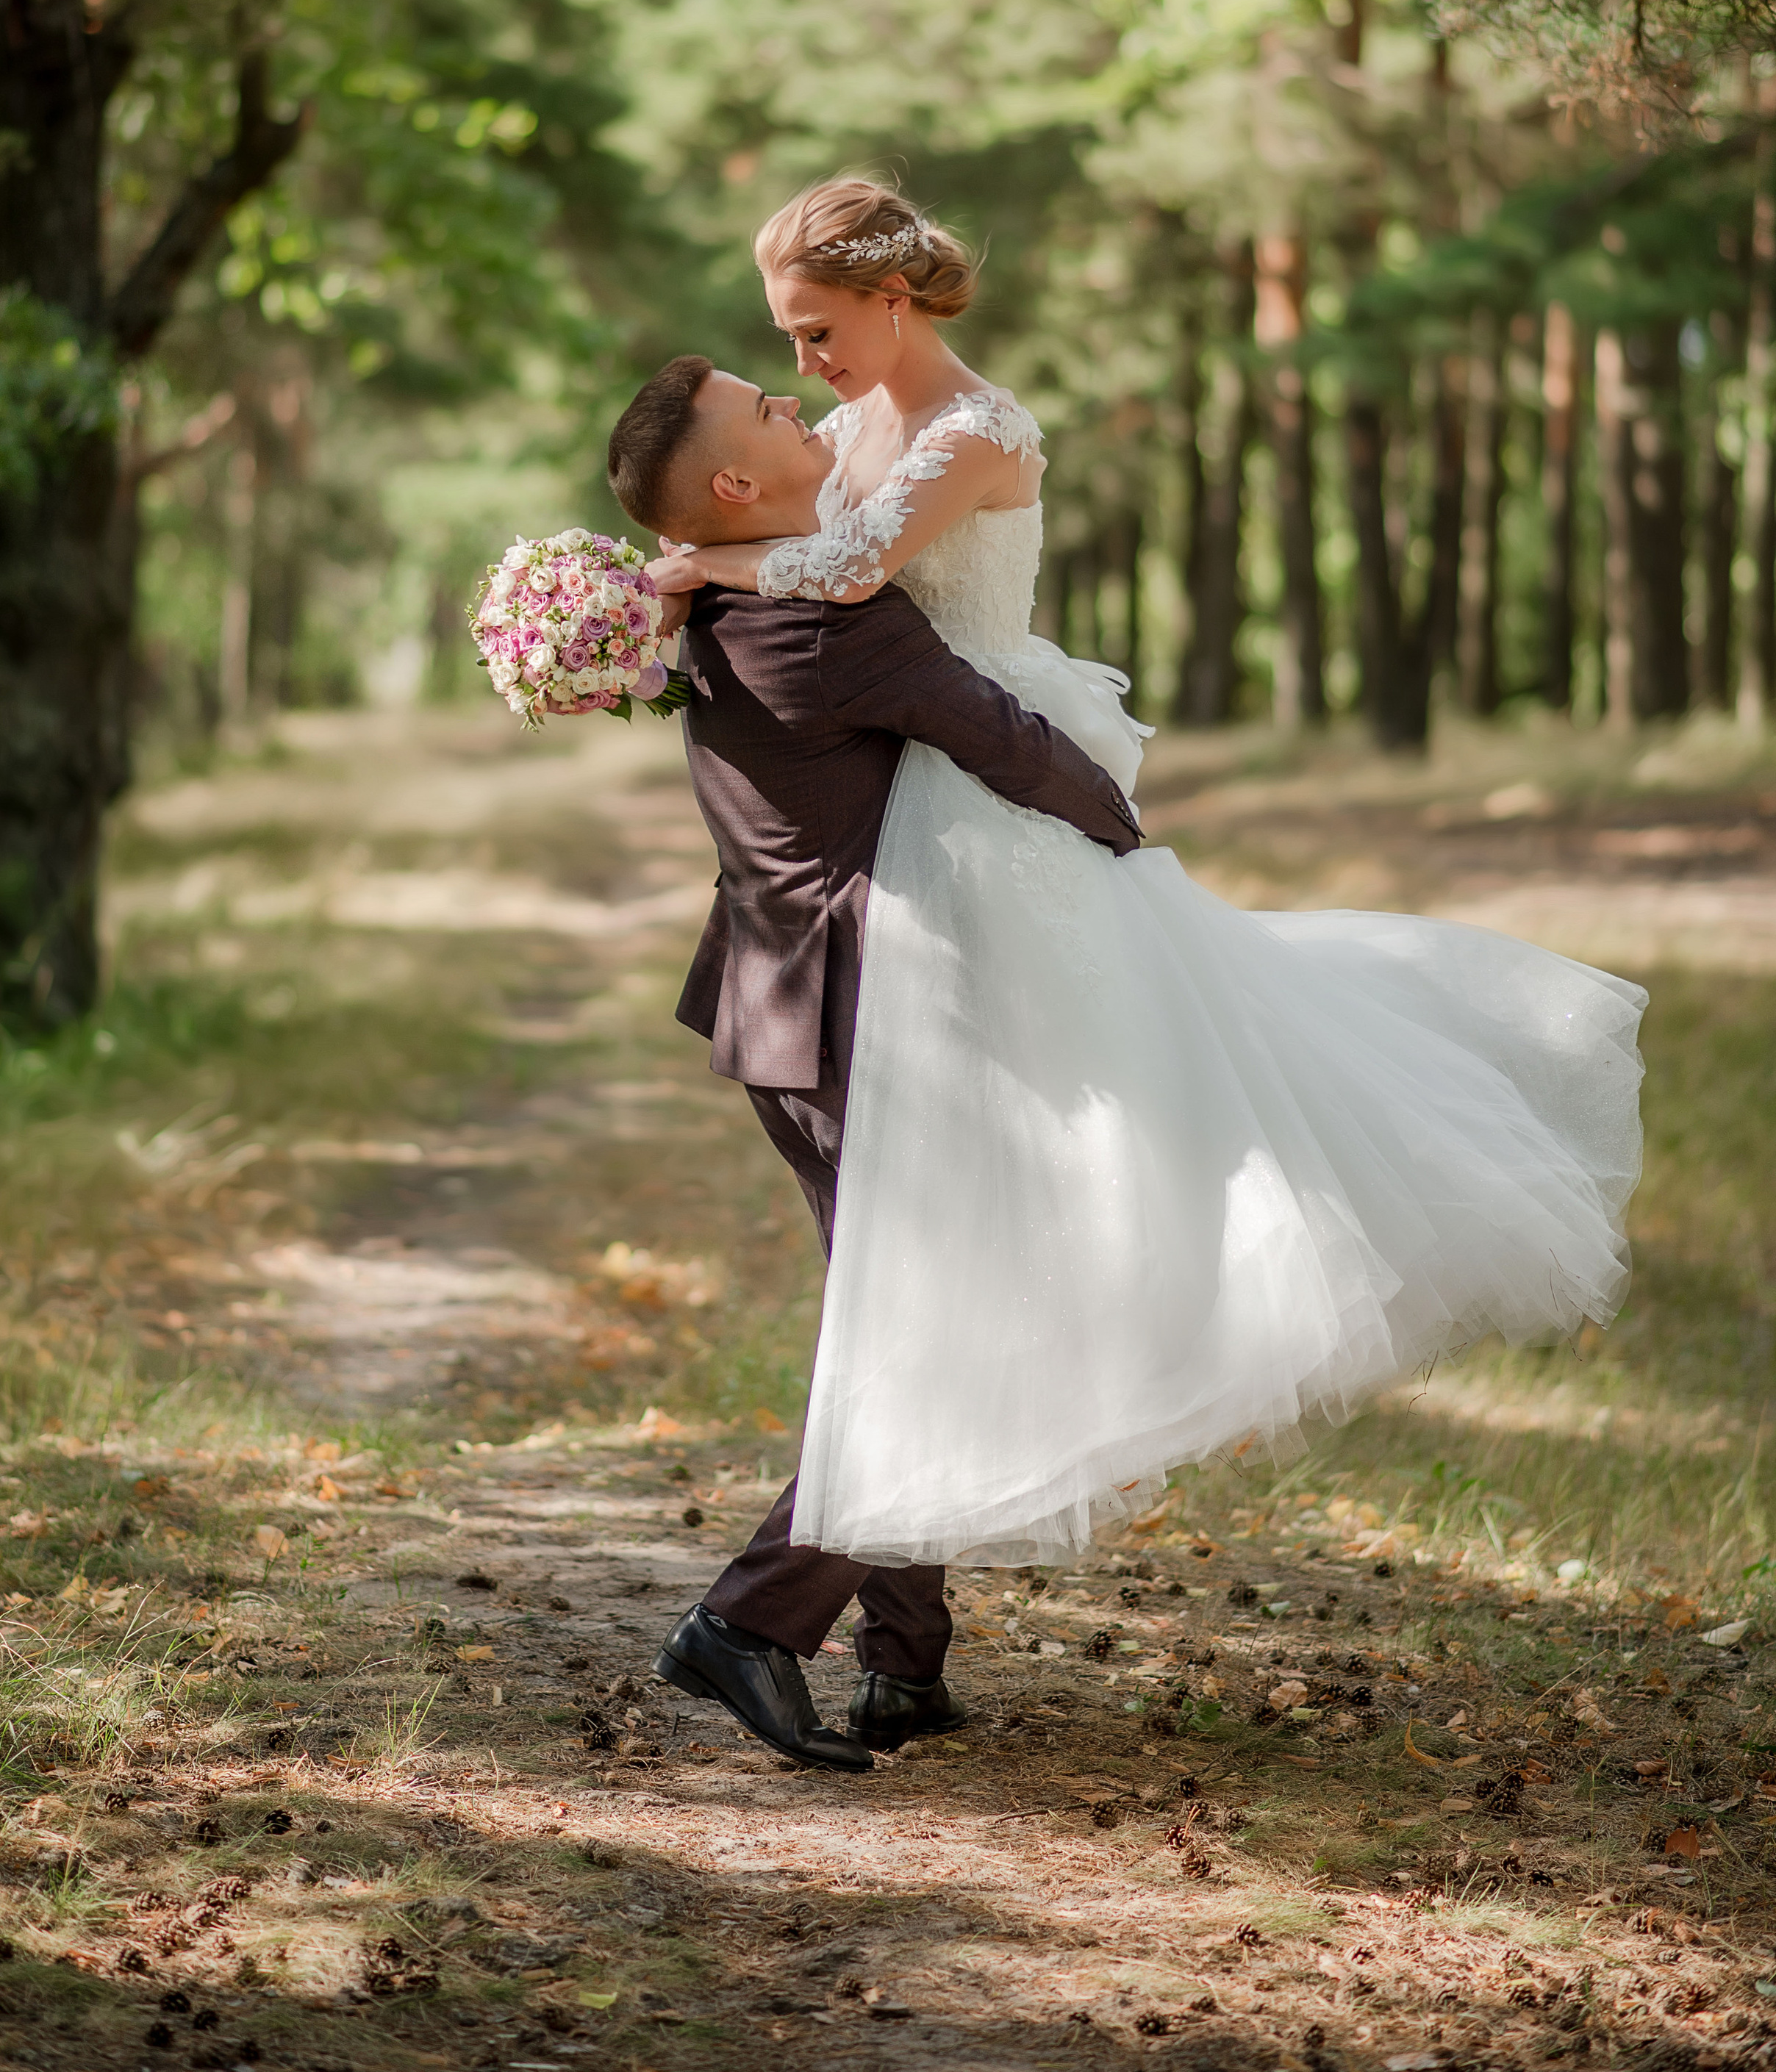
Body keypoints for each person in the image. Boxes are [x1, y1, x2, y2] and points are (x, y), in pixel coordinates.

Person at [643, 175, 1646, 1576]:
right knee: (922, 1251)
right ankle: (896, 1646)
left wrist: (698, 560)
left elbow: (858, 567)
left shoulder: (977, 428)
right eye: (785, 342)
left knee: (1035, 1204)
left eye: (816, 333)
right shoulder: (851, 419)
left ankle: (824, 1603)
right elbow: (799, 557)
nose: (804, 372)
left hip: (995, 779)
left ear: (889, 300)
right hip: (916, 813)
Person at [604, 354, 1142, 1772]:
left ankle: (904, 1670)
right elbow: (1008, 741)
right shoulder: (832, 622)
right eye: (768, 413)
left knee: (896, 1318)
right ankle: (750, 1622)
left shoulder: (719, 595)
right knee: (935, 1330)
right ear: (735, 483)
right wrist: (1127, 834)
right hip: (857, 1022)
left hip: (784, 1006)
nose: (801, 409)